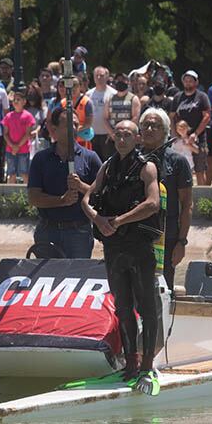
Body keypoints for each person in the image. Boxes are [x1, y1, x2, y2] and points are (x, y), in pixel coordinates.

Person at [80, 119, 162, 393]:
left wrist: (118, 221)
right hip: (114, 248)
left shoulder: (147, 167)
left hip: (138, 248)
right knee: (123, 308)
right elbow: (86, 199)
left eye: (128, 134)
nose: (123, 139)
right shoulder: (107, 166)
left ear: (138, 139)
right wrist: (98, 218)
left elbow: (153, 204)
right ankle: (130, 364)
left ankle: (148, 367)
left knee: (147, 309)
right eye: (119, 134)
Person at [27, 106, 103, 259]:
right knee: (47, 278)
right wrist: (62, 201)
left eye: (75, 124)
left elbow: (102, 196)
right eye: (68, 125)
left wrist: (82, 187)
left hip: (79, 233)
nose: (73, 129)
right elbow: (33, 197)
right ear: (54, 129)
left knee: (77, 277)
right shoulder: (41, 159)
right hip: (48, 231)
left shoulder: (90, 158)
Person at [140, 108, 193, 293]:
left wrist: (182, 242)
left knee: (163, 289)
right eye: (145, 125)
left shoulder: (178, 161)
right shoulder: (131, 160)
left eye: (155, 125)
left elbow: (186, 205)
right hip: (136, 234)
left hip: (167, 236)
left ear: (165, 131)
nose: (149, 129)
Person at [171, 71, 210, 185]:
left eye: (191, 81)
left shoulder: (202, 96)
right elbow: (172, 116)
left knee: (199, 169)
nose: (188, 83)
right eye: (186, 81)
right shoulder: (178, 97)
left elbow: (207, 116)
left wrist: (196, 133)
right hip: (181, 138)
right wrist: (174, 133)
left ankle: (203, 198)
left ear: (196, 82)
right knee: (180, 169)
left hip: (198, 138)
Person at [2, 89, 36, 184]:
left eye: (18, 99)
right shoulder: (8, 116)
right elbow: (5, 133)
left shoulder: (28, 116)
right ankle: (10, 196)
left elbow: (27, 134)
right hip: (10, 149)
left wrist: (17, 146)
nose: (16, 102)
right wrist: (12, 146)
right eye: (14, 100)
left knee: (24, 173)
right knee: (11, 173)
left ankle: (27, 195)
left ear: (24, 102)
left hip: (23, 149)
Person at [86, 66, 117, 160]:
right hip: (92, 135)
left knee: (108, 161)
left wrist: (112, 133)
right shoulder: (88, 94)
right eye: (97, 75)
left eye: (102, 75)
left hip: (108, 135)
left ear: (107, 77)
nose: (99, 78)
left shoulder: (113, 94)